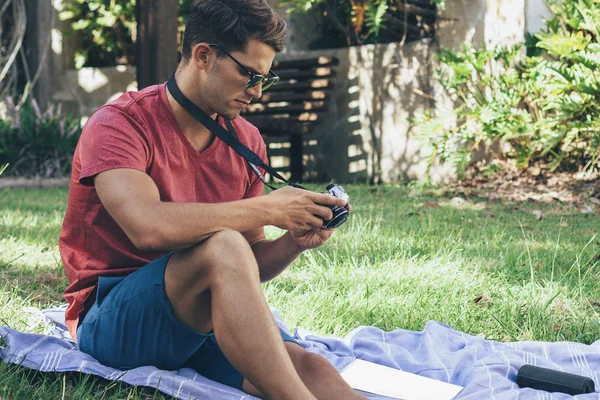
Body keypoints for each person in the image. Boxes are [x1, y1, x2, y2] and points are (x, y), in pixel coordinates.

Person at [59, 1, 367, 399]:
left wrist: (292, 242)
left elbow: (246, 262)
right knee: (223, 244)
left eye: (265, 78)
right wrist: (268, 209)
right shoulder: (119, 123)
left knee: (313, 369)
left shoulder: (247, 141)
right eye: (249, 74)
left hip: (197, 314)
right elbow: (146, 228)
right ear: (204, 55)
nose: (256, 92)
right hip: (111, 316)